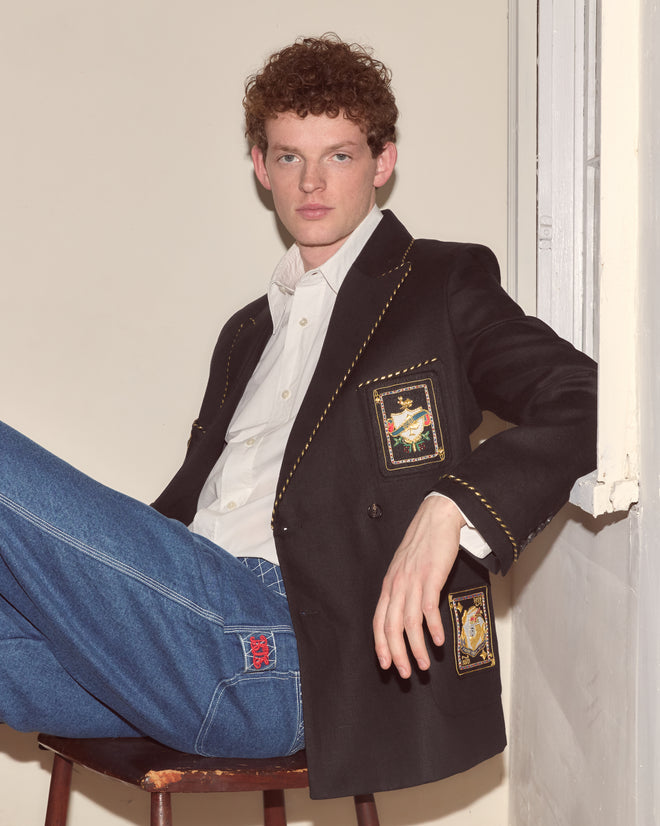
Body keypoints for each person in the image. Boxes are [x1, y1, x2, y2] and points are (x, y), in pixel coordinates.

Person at [0, 35, 597, 800]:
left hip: (281, 651)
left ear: (382, 162)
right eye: (289, 157)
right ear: (261, 166)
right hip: (179, 634)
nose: (311, 182)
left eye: (339, 156)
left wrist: (450, 508)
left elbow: (583, 397)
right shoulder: (250, 332)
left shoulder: (437, 286)